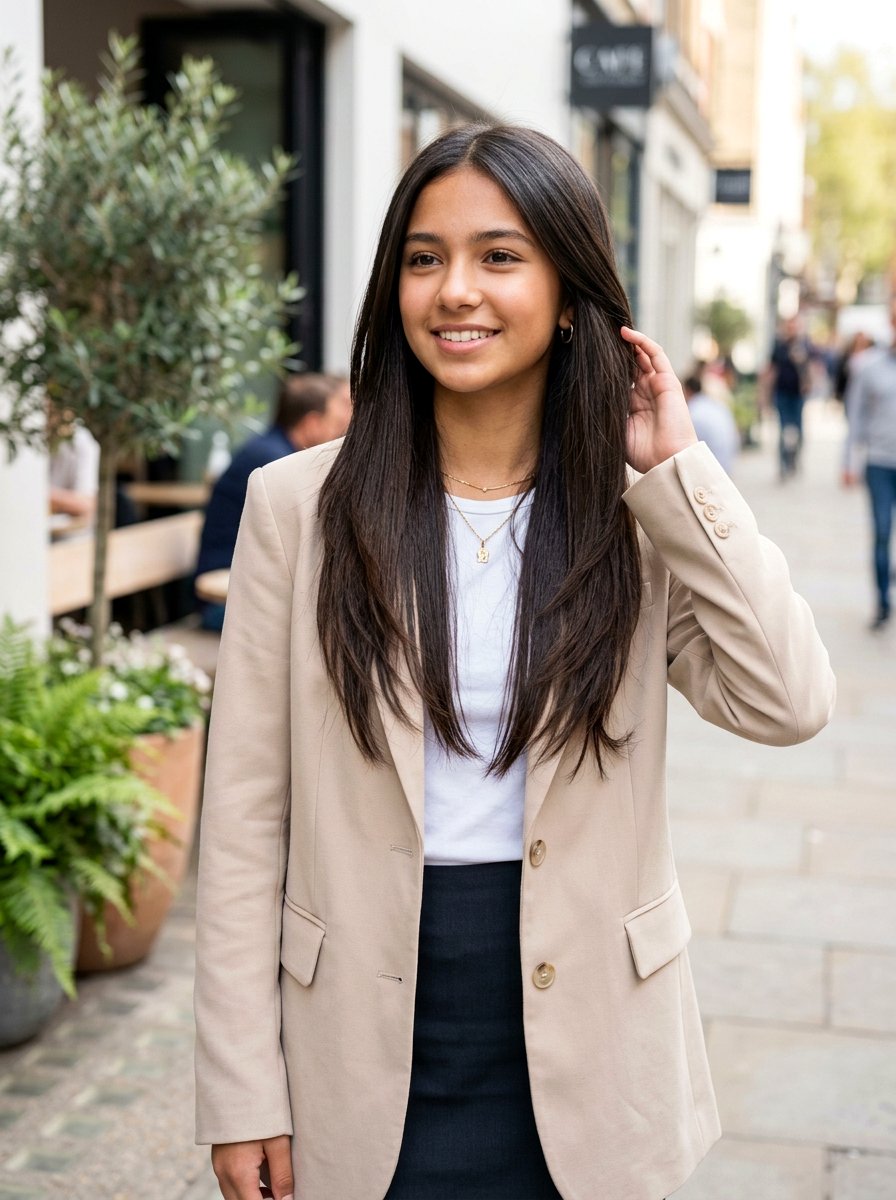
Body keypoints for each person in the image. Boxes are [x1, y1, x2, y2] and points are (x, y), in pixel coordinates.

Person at [194, 124, 835, 1200]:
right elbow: (244, 820)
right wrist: (239, 1088)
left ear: (572, 292)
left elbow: (789, 698)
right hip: (357, 1030)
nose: (455, 291)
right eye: (423, 257)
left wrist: (679, 471)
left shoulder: (636, 519)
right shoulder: (295, 509)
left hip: (594, 1040)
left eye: (499, 256)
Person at [194, 373, 351, 629]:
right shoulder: (274, 465)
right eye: (335, 423)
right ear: (311, 423)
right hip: (224, 606)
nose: (340, 432)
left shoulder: (273, 451)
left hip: (242, 595)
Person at [843, 298, 896, 629]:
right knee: (881, 532)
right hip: (878, 463)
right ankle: (882, 601)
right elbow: (855, 416)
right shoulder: (870, 367)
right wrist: (848, 460)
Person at [766, 315, 811, 479]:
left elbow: (812, 367)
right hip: (782, 393)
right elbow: (771, 370)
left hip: (798, 395)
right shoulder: (779, 346)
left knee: (799, 430)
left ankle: (795, 459)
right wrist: (765, 395)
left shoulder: (804, 345)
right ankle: (783, 464)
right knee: (783, 429)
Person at [682, 372, 740, 473]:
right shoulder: (717, 405)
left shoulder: (693, 412)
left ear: (687, 391)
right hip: (728, 464)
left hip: (713, 470)